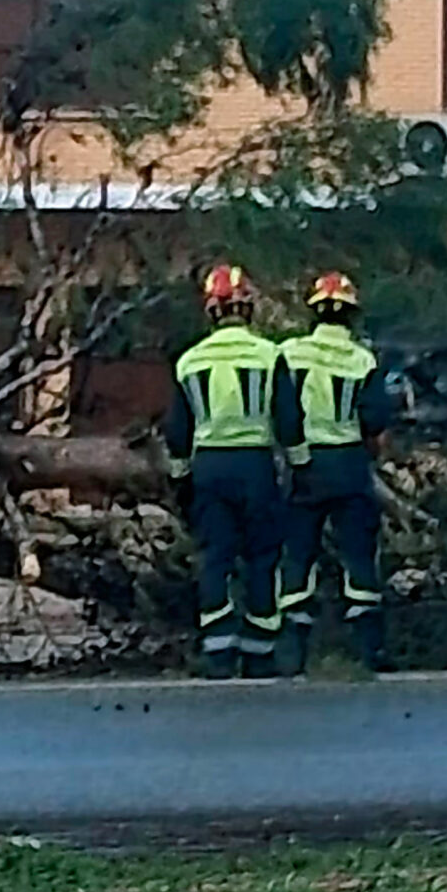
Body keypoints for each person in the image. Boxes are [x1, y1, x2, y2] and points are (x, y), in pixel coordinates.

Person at [164, 264, 301, 679]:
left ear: (211, 311)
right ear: (248, 309)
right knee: (262, 557)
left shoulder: (189, 361)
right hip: (255, 465)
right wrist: (301, 467)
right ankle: (260, 654)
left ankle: (218, 653)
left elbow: (177, 431)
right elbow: (288, 419)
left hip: (209, 467)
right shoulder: (269, 354)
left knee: (215, 557)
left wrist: (180, 478)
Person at [276, 272, 395, 675]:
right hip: (349, 464)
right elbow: (375, 419)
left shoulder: (290, 353)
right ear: (351, 315)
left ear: (314, 312)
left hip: (304, 464)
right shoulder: (362, 360)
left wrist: (294, 455)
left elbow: (281, 411)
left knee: (298, 553)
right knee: (359, 554)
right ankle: (369, 649)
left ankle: (292, 651)